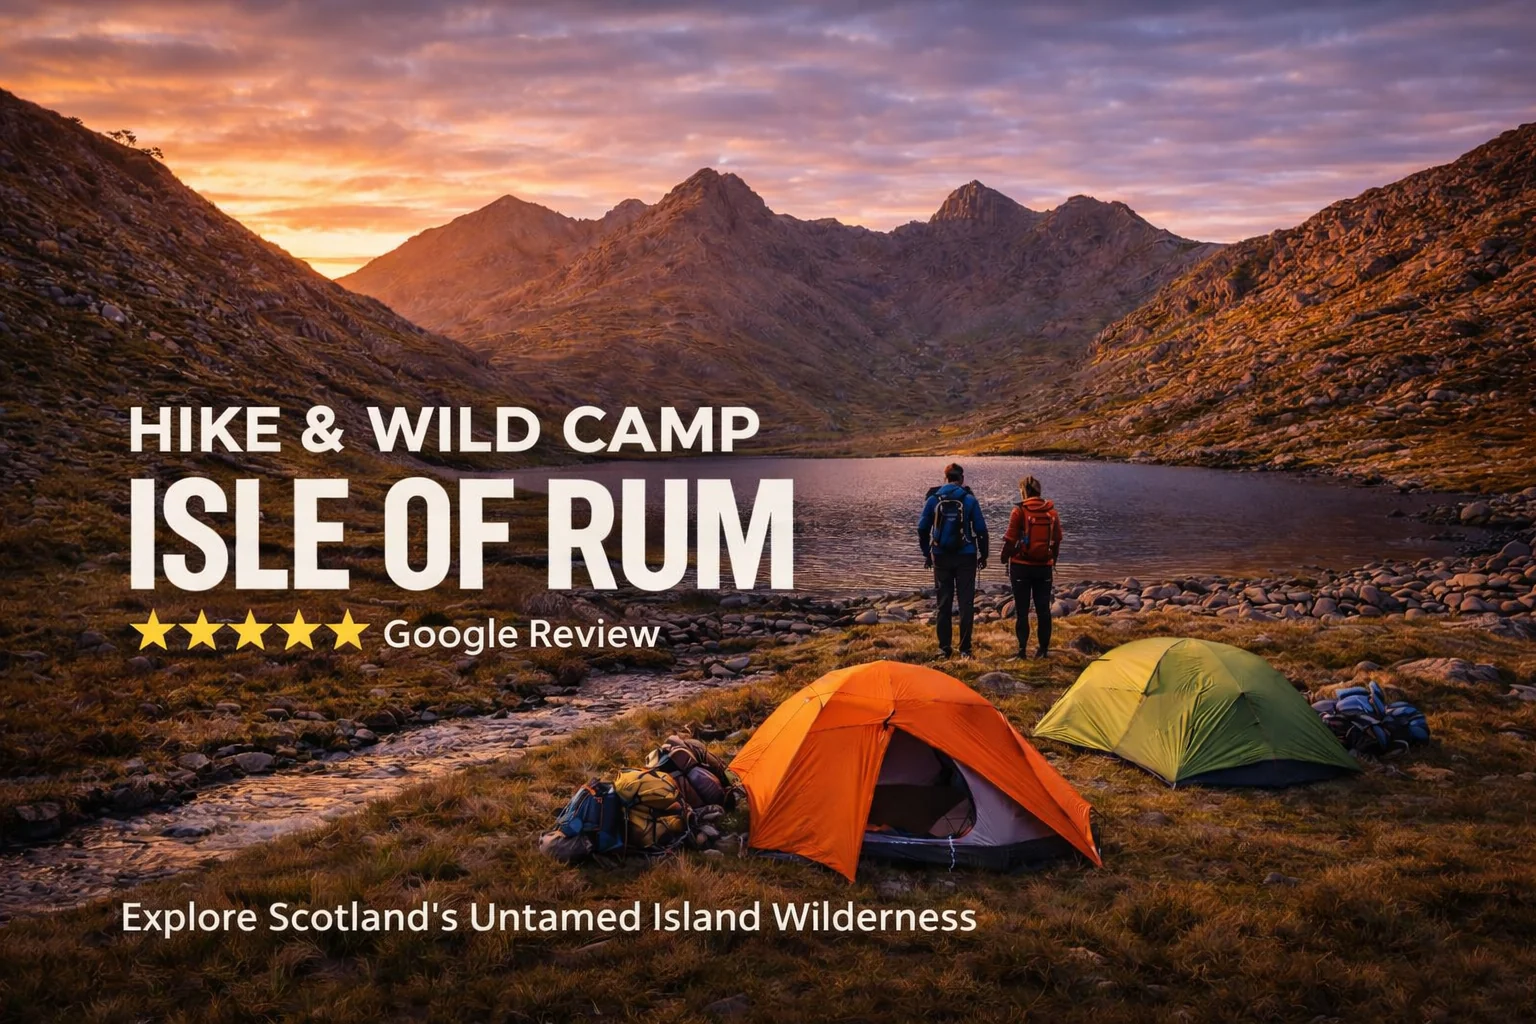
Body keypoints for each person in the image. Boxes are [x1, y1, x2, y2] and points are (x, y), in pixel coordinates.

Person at [917, 463, 988, 659]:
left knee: (944, 603)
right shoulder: (969, 499)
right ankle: (965, 650)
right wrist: (984, 554)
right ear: (961, 478)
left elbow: (922, 528)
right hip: (966, 555)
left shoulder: (933, 499)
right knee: (966, 604)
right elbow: (981, 530)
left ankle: (944, 648)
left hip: (940, 556)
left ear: (945, 477)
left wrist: (926, 553)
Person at [999, 475, 1062, 658]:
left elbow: (1010, 540)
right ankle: (1043, 650)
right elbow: (1057, 541)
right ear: (1039, 491)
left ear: (1024, 491)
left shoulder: (1019, 511)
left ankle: (1021, 651)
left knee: (1022, 610)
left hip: (1021, 566)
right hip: (1044, 566)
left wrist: (1004, 558)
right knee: (1044, 610)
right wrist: (1053, 560)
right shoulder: (1052, 513)